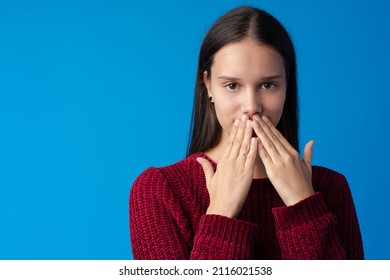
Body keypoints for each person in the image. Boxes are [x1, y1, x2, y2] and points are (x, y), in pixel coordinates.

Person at [129, 6, 364, 260]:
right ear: (208, 85)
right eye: (232, 85)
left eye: (268, 84)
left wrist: (302, 205)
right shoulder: (160, 190)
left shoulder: (329, 189)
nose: (252, 105)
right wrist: (220, 215)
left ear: (287, 86)